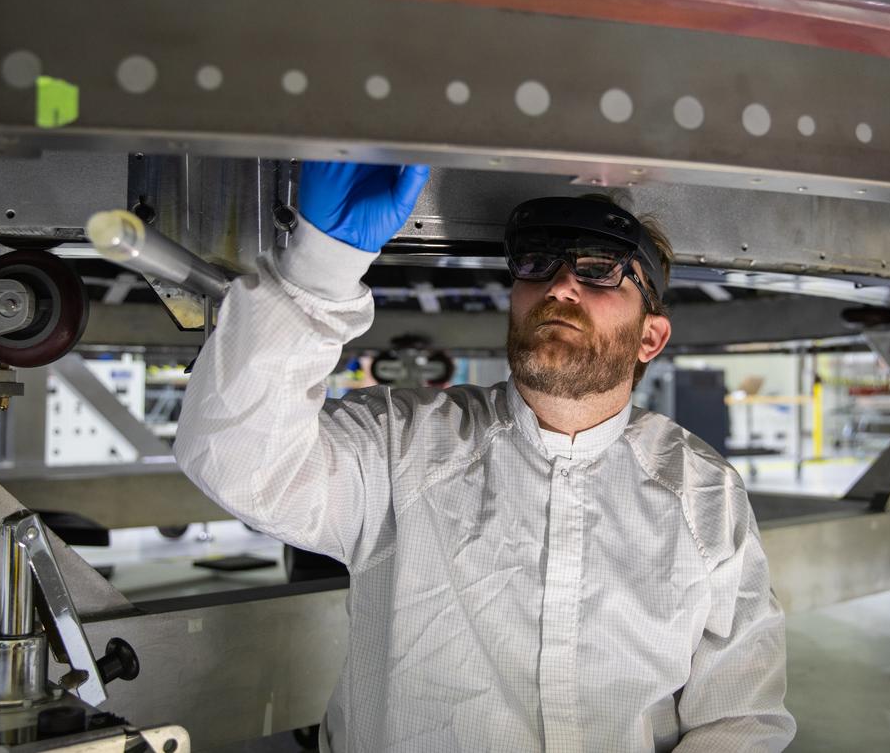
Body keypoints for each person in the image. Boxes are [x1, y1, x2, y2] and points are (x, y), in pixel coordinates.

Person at [174, 161, 795, 752]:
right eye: (535, 264)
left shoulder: (702, 493)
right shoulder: (403, 445)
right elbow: (237, 462)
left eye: (601, 268)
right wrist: (319, 267)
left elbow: (741, 714)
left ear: (650, 337)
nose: (558, 285)